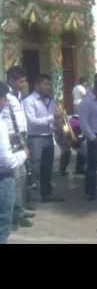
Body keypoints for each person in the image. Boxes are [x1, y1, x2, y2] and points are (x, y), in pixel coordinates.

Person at [2, 66, 34, 230]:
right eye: (21, 81)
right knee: (15, 176)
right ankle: (14, 214)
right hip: (10, 137)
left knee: (21, 176)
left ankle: (19, 208)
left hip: (20, 136)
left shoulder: (19, 94)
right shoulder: (5, 95)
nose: (24, 84)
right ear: (12, 80)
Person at [23, 75, 64, 202]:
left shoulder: (51, 100)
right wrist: (52, 117)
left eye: (49, 84)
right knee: (34, 168)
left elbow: (53, 119)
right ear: (37, 85)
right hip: (35, 138)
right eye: (45, 84)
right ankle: (31, 198)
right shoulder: (29, 101)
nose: (48, 87)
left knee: (47, 167)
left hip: (48, 137)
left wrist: (58, 125)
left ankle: (47, 194)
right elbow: (32, 121)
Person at [0, 81, 29, 244]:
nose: (5, 102)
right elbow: (7, 161)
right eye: (3, 98)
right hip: (3, 178)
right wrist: (23, 154)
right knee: (3, 223)